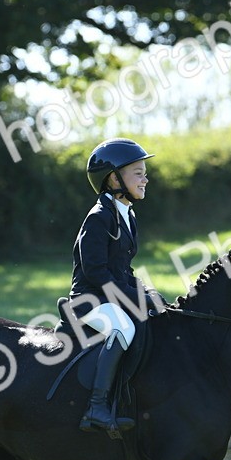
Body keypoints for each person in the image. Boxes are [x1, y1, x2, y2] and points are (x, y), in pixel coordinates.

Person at [69, 137, 161, 435]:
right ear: (113, 178)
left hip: (108, 296)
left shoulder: (127, 216)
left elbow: (123, 268)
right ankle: (96, 406)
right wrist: (130, 298)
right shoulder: (98, 218)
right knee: (124, 327)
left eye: (144, 172)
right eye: (138, 173)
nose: (145, 179)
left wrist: (145, 293)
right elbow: (95, 271)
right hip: (88, 299)